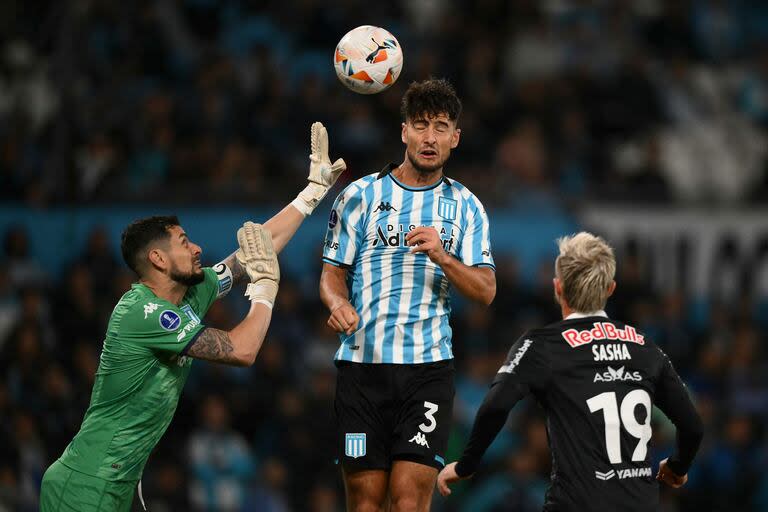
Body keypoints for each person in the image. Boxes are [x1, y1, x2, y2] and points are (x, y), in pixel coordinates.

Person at [39, 122, 346, 511]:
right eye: (185, 242)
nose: (198, 248)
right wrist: (265, 292)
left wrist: (312, 193)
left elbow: (255, 251)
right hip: (85, 482)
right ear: (157, 259)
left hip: (122, 480)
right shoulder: (143, 312)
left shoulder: (189, 291)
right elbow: (242, 350)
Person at [320, 78, 496, 512]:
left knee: (408, 501)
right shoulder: (359, 196)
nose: (429, 137)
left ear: (455, 138)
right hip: (363, 368)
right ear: (404, 132)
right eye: (420, 125)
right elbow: (331, 274)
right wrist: (337, 302)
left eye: (440, 127)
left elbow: (486, 291)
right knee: (364, 503)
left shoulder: (468, 207)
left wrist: (444, 257)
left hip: (427, 371)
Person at [437, 232, 704, 512]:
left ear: (558, 288)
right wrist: (677, 466)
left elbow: (494, 407)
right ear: (610, 289)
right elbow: (692, 426)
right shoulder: (644, 346)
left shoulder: (541, 345)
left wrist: (467, 465)